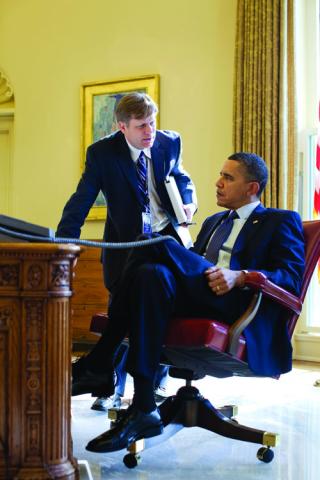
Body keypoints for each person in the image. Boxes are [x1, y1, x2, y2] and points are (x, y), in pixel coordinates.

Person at [71, 152, 305, 454]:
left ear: (252, 188)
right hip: (197, 296)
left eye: (228, 178)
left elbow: (289, 277)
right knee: (150, 275)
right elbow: (188, 264)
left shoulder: (280, 221)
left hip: (237, 305)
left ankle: (101, 361)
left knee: (159, 242)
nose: (218, 183)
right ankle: (144, 405)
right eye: (220, 175)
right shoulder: (212, 222)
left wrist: (241, 276)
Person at [56, 92, 197, 407]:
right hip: (126, 246)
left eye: (152, 123)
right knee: (126, 312)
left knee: (158, 311)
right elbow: (81, 201)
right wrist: (65, 246)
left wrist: (189, 200)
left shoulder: (168, 142)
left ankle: (146, 384)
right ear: (122, 127)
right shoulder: (102, 154)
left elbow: (182, 177)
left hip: (168, 239)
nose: (149, 132)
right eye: (141, 126)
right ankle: (114, 386)